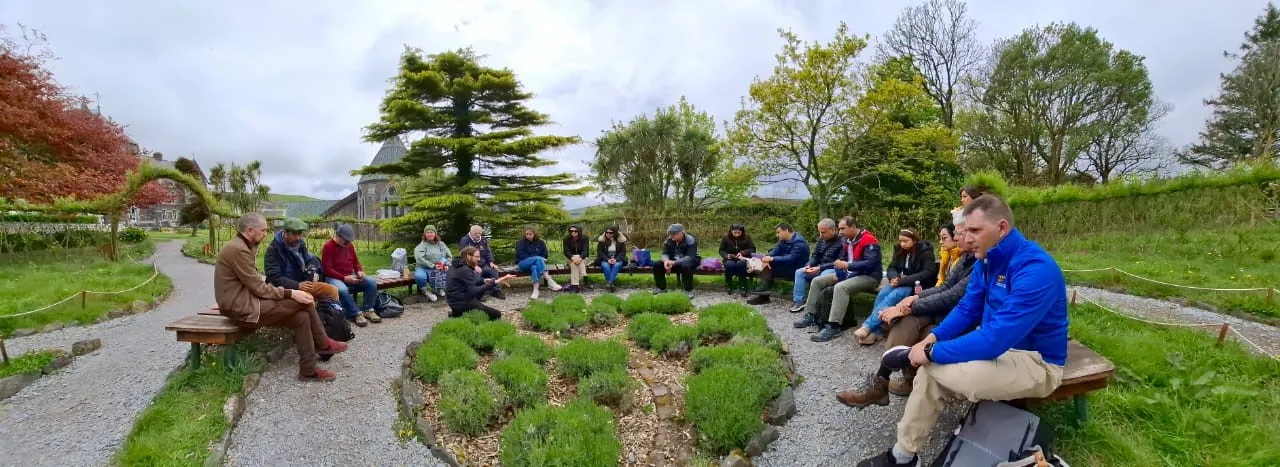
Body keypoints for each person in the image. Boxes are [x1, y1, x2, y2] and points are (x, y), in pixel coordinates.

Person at [854, 195, 1068, 467]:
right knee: (931, 368)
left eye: (975, 230)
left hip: (1037, 362)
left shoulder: (1035, 269)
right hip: (1002, 350)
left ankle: (902, 458)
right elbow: (967, 308)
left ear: (1002, 228)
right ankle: (903, 456)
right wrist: (933, 338)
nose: (966, 238)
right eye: (966, 230)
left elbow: (994, 339)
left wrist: (930, 351)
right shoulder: (987, 261)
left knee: (931, 369)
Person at [837, 215, 977, 405]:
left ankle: (904, 381)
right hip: (940, 309)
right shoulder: (966, 257)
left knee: (906, 313)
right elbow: (945, 287)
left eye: (961, 233)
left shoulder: (978, 261)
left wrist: (911, 304)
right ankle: (881, 383)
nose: (959, 238)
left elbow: (953, 295)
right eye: (959, 233)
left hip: (956, 315)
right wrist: (914, 299)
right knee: (902, 318)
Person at [215, 213, 347, 382]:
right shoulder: (238, 250)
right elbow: (260, 287)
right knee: (304, 301)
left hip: (246, 301)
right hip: (242, 308)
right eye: (263, 230)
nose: (266, 234)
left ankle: (308, 370)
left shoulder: (244, 246)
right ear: (250, 230)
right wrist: (291, 292)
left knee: (301, 317)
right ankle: (324, 343)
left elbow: (252, 284)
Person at [795, 216, 881, 342]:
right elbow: (841, 260)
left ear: (853, 227)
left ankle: (834, 325)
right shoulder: (847, 240)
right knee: (817, 281)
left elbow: (871, 263)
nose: (840, 232)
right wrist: (828, 268)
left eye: (842, 228)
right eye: (839, 229)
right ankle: (811, 314)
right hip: (851, 273)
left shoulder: (868, 240)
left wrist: (848, 266)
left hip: (869, 276)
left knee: (841, 287)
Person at [854, 229, 938, 345]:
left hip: (917, 285)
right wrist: (894, 277)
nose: (902, 244)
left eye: (906, 241)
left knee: (894, 296)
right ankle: (876, 331)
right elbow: (892, 267)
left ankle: (867, 326)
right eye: (900, 241)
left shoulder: (925, 252)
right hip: (901, 281)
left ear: (914, 240)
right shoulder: (900, 250)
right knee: (883, 294)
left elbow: (928, 273)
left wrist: (902, 281)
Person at [264, 217, 340, 304]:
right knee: (309, 301)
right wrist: (297, 285)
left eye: (300, 234)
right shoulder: (273, 250)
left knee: (332, 290)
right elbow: (274, 277)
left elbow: (309, 258)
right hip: (285, 289)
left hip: (303, 283)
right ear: (285, 234)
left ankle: (333, 312)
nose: (298, 238)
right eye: (294, 234)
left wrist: (311, 267)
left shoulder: (299, 244)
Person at [321, 224, 380, 327]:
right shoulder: (328, 247)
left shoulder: (349, 246)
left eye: (349, 241)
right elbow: (327, 269)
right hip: (334, 277)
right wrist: (344, 278)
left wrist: (359, 271)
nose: (348, 243)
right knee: (342, 290)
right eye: (346, 240)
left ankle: (368, 309)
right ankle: (355, 313)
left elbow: (355, 262)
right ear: (338, 236)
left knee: (371, 282)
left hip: (349, 275)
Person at [786, 218, 842, 312]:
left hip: (833, 268)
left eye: (823, 232)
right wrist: (809, 264)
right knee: (800, 272)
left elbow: (840, 262)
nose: (820, 235)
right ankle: (799, 301)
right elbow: (815, 255)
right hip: (819, 266)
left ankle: (818, 304)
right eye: (819, 232)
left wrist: (819, 268)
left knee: (822, 277)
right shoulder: (821, 239)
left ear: (833, 230)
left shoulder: (842, 242)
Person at [446, 246, 517, 320]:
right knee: (497, 315)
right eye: (476, 256)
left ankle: (456, 313)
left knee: (480, 286)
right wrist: (492, 283)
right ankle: (459, 313)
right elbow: (473, 292)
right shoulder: (465, 270)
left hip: (454, 300)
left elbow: (468, 282)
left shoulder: (456, 265)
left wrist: (484, 281)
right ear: (468, 256)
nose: (479, 259)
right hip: (462, 302)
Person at [746, 223, 810, 304]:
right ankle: (763, 292)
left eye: (778, 232)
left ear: (786, 230)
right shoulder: (782, 240)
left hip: (796, 268)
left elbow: (792, 258)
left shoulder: (799, 242)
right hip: (786, 266)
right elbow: (775, 251)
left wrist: (772, 259)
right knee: (766, 264)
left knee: (769, 266)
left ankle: (763, 294)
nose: (777, 235)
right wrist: (767, 258)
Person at [459, 225, 505, 300]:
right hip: (470, 265)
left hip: (483, 264)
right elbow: (463, 255)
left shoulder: (483, 240)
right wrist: (474, 266)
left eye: (480, 233)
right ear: (471, 232)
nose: (478, 235)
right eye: (476, 233)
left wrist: (491, 262)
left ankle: (496, 291)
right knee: (476, 274)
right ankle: (478, 294)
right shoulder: (465, 240)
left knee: (493, 271)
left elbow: (488, 252)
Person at [653, 224, 700, 298]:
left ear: (682, 232)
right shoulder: (669, 240)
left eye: (674, 233)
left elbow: (690, 256)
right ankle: (661, 288)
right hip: (673, 260)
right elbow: (665, 254)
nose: (671, 235)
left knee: (686, 265)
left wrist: (674, 263)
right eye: (670, 233)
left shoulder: (690, 240)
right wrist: (666, 261)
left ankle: (688, 290)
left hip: (691, 260)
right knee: (657, 264)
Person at [516, 225, 562, 299]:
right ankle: (549, 280)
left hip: (537, 265)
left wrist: (539, 259)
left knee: (534, 267)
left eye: (530, 234)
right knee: (538, 259)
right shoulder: (520, 243)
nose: (528, 236)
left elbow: (545, 254)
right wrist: (537, 258)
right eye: (527, 234)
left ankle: (535, 290)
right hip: (523, 263)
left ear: (534, 234)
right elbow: (521, 255)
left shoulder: (540, 242)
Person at [413, 225, 452, 302]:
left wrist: (446, 264)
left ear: (435, 234)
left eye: (431, 232)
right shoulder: (421, 246)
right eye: (427, 233)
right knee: (419, 276)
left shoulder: (441, 244)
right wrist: (433, 266)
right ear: (425, 234)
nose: (429, 234)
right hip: (423, 268)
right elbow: (420, 259)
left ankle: (439, 288)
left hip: (439, 266)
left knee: (449, 271)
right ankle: (426, 292)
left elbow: (448, 256)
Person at [717, 224, 756, 296]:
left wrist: (743, 252)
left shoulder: (747, 237)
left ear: (742, 232)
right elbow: (721, 250)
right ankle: (728, 284)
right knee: (729, 265)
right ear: (731, 231)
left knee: (740, 265)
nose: (737, 235)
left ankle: (743, 286)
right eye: (735, 233)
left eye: (739, 233)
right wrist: (726, 255)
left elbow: (753, 249)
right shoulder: (725, 237)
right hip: (730, 258)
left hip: (743, 257)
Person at [596, 226, 628, 292]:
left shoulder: (620, 241)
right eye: (607, 232)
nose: (608, 234)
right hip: (605, 259)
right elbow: (600, 252)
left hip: (618, 259)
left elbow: (622, 252)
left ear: (615, 233)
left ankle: (609, 283)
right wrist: (608, 260)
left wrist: (616, 259)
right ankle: (611, 284)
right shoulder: (602, 241)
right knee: (605, 266)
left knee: (616, 265)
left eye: (610, 233)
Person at [562, 224, 591, 292]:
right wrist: (573, 258)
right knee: (574, 264)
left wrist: (580, 258)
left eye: (575, 231)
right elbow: (566, 251)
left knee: (574, 265)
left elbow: (586, 251)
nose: (573, 232)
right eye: (571, 231)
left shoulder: (585, 238)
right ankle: (583, 277)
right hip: (570, 258)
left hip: (583, 258)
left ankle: (575, 286)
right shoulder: (566, 239)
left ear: (579, 231)